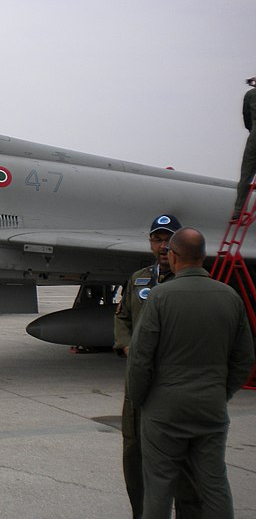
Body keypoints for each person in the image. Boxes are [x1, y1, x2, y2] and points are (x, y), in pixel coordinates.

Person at [128, 227, 255, 519]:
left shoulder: (160, 297)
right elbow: (245, 358)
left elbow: (140, 358)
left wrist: (140, 399)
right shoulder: (229, 297)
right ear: (203, 257)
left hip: (163, 409)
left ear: (173, 256)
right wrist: (221, 392)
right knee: (214, 483)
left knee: (159, 485)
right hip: (210, 408)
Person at [114, 214, 200, 518]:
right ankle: (141, 512)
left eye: (168, 240)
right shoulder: (138, 279)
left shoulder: (192, 283)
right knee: (134, 453)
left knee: (181, 457)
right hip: (138, 386)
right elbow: (123, 317)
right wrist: (126, 345)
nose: (163, 246)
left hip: (173, 385)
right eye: (157, 239)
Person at [232, 76, 256, 218]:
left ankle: (238, 210)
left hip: (254, 136)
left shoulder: (250, 95)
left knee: (246, 175)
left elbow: (246, 117)